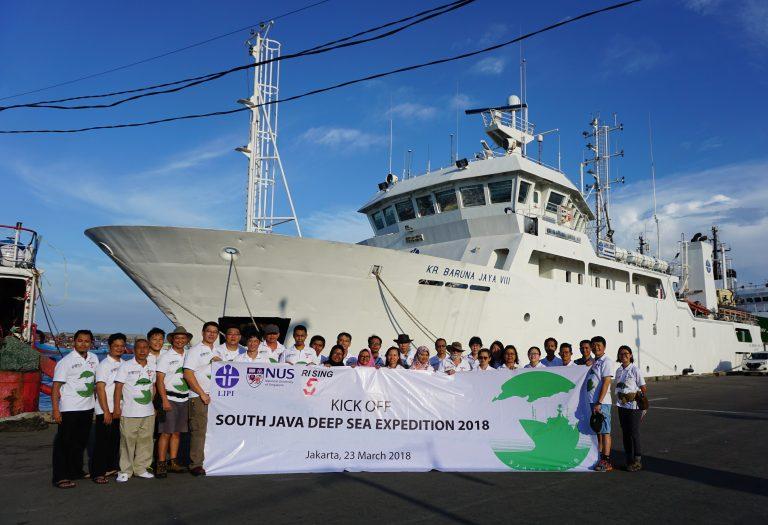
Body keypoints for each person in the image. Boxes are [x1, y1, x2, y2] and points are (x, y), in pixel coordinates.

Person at [51, 329, 99, 489]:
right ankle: (60, 476)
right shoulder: (65, 362)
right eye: (80, 340)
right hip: (69, 408)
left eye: (87, 341)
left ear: (91, 343)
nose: (83, 343)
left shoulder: (94, 358)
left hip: (87, 407)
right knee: (64, 443)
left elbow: (95, 384)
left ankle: (76, 471)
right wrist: (56, 410)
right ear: (74, 342)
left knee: (80, 442)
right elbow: (56, 387)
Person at [114, 338, 156, 482]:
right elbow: (118, 387)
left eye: (145, 348)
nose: (143, 350)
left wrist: (152, 404)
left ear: (149, 350)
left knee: (146, 441)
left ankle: (141, 468)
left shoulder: (152, 366)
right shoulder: (125, 366)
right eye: (139, 348)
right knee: (127, 441)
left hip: (148, 412)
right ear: (134, 350)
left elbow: (153, 386)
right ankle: (125, 470)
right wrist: (116, 408)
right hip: (129, 412)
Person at [155, 326, 192, 478]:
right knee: (165, 433)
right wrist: (163, 399)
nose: (180, 340)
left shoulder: (189, 355)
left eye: (183, 338)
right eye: (177, 338)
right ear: (172, 340)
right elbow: (159, 379)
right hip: (169, 398)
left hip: (184, 397)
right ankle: (161, 463)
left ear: (186, 340)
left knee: (177, 433)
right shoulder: (165, 356)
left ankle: (173, 461)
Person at [182, 321, 219, 477]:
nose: (211, 334)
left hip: (216, 398)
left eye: (215, 332)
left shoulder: (219, 351)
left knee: (213, 430)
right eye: (208, 331)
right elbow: (188, 374)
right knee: (199, 431)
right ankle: (195, 464)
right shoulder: (195, 351)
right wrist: (202, 393)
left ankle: (209, 459)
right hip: (199, 397)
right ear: (203, 332)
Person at [91, 333, 126, 484]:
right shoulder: (104, 365)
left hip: (120, 409)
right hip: (106, 409)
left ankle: (111, 467)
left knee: (115, 440)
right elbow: (100, 388)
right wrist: (106, 411)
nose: (119, 348)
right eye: (115, 346)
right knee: (102, 442)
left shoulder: (125, 364)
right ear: (109, 347)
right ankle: (98, 472)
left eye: (121, 346)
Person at [615, 345, 647, 471]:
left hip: (634, 406)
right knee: (625, 433)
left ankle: (638, 461)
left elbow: (643, 388)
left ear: (631, 355)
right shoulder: (618, 370)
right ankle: (629, 459)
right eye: (621, 354)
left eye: (626, 353)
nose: (624, 355)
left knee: (634, 433)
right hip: (621, 405)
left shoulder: (635, 370)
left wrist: (640, 401)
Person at [586, 335, 615, 472]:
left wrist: (599, 401)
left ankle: (607, 460)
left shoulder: (606, 361)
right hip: (593, 402)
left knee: (605, 432)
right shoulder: (594, 361)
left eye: (599, 345)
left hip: (601, 402)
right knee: (598, 431)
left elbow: (606, 381)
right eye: (594, 345)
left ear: (604, 347)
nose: (596, 347)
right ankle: (600, 457)